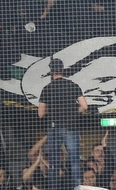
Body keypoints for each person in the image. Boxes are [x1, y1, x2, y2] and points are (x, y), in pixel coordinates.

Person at [38, 58, 88, 190]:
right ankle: (77, 187)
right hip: (71, 127)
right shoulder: (72, 85)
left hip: (54, 128)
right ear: (63, 70)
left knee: (54, 162)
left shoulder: (47, 88)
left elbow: (41, 113)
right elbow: (84, 106)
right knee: (74, 162)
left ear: (51, 72)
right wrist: (73, 112)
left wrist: (52, 110)